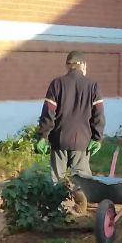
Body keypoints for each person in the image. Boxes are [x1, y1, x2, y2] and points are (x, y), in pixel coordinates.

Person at [39, 51, 105, 195]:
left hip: (59, 139)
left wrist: (43, 136)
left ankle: (56, 208)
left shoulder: (57, 84)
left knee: (56, 178)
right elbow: (98, 114)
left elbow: (48, 112)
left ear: (67, 66)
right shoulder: (93, 85)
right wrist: (97, 138)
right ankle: (80, 197)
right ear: (83, 65)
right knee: (82, 177)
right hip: (82, 140)